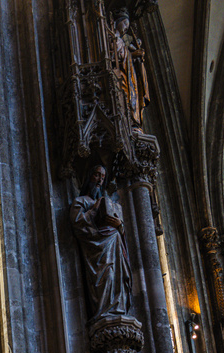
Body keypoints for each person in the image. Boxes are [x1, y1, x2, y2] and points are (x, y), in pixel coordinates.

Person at [70, 164, 131, 320]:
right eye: (97, 175)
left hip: (114, 247)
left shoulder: (109, 203)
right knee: (105, 277)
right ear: (89, 176)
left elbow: (120, 230)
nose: (99, 180)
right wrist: (94, 210)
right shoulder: (80, 201)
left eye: (103, 177)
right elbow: (78, 224)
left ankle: (118, 306)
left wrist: (120, 226)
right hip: (96, 251)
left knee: (115, 274)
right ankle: (104, 310)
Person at [112, 9, 149, 129]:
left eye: (127, 27)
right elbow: (117, 54)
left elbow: (124, 52)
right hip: (119, 75)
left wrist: (135, 54)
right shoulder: (113, 36)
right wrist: (132, 54)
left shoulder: (121, 40)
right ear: (117, 22)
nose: (125, 29)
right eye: (124, 24)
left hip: (127, 75)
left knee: (131, 95)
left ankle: (133, 120)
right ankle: (129, 118)